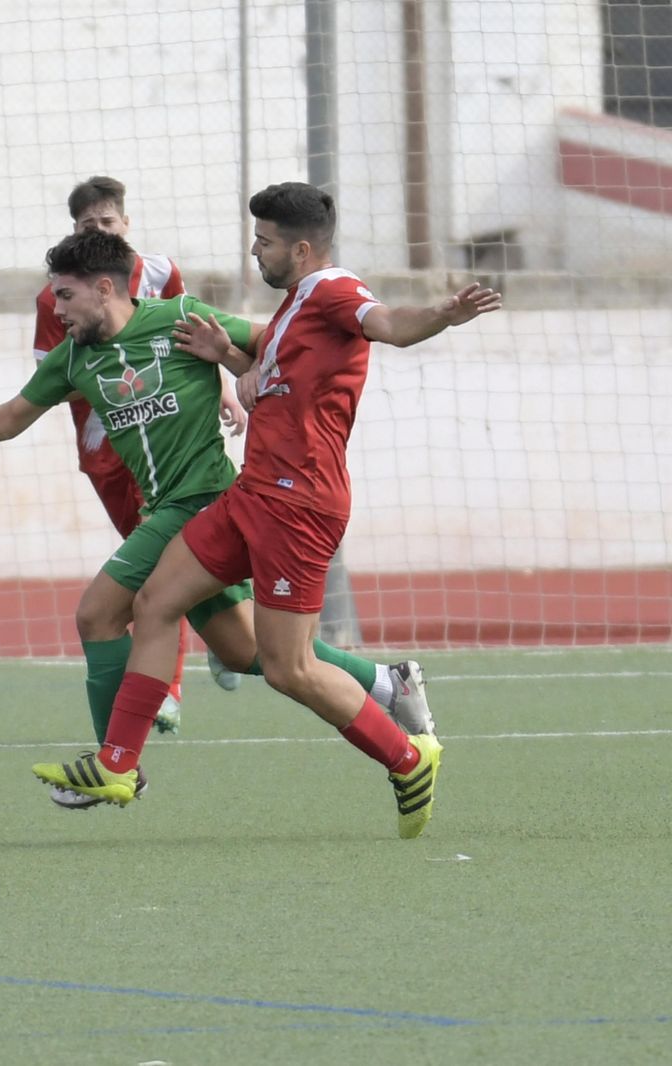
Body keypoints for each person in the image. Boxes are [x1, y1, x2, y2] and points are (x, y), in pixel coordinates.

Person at [31, 182, 501, 839]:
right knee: (155, 603)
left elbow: (389, 325)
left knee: (287, 668)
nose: (256, 253)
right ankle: (117, 764)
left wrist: (445, 314)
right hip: (251, 493)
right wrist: (230, 361)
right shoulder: (288, 313)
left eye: (265, 243)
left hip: (298, 507)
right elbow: (279, 379)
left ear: (301, 249)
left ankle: (405, 755)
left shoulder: (333, 288)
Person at [0, 229, 433, 806]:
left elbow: (281, 342)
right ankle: (384, 684)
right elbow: (12, 416)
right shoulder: (74, 359)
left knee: (99, 614)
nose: (56, 309)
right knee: (247, 652)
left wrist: (236, 364)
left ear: (103, 289)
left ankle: (115, 762)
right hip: (169, 507)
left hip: (208, 499)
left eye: (65, 297)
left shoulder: (180, 318)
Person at [32, 176, 249, 752]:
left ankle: (157, 698)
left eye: (107, 222)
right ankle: (220, 649)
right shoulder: (57, 300)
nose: (98, 229)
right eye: (87, 224)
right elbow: (46, 377)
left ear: (125, 225)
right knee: (159, 571)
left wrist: (227, 383)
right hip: (112, 446)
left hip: (186, 465)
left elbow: (193, 343)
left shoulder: (163, 281)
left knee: (138, 583)